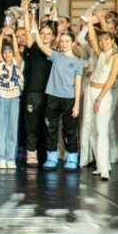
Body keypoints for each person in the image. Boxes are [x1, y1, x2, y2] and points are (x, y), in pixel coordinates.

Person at [34, 29, 83, 172]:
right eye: (61, 41)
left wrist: (77, 105)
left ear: (73, 43)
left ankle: (72, 158)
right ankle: (51, 157)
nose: (64, 44)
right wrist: (34, 28)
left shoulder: (77, 63)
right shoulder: (55, 56)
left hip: (69, 99)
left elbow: (78, 85)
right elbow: (41, 45)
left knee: (70, 130)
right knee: (51, 129)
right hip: (53, 97)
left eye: (67, 41)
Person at [81, 17, 118, 181]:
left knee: (102, 131)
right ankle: (100, 164)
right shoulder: (102, 54)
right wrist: (90, 22)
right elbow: (92, 38)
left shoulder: (115, 58)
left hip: (102, 94)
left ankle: (105, 169)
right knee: (90, 128)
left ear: (112, 41)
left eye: (106, 39)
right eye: (101, 40)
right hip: (90, 90)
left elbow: (111, 80)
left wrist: (99, 98)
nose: (103, 42)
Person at [0, 27, 25, 170]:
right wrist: (2, 34)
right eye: (5, 52)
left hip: (14, 97)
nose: (7, 54)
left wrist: (13, 36)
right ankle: (0, 157)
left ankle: (10, 158)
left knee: (12, 128)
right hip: (0, 97)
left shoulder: (17, 62)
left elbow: (17, 50)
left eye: (10, 52)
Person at [23, 9, 54, 167]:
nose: (45, 36)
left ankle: (49, 154)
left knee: (48, 125)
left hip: (51, 93)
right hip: (34, 92)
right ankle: (31, 153)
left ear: (53, 36)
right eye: (42, 33)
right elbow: (28, 31)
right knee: (32, 124)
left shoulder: (56, 52)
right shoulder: (34, 47)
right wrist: (26, 12)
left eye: (49, 34)